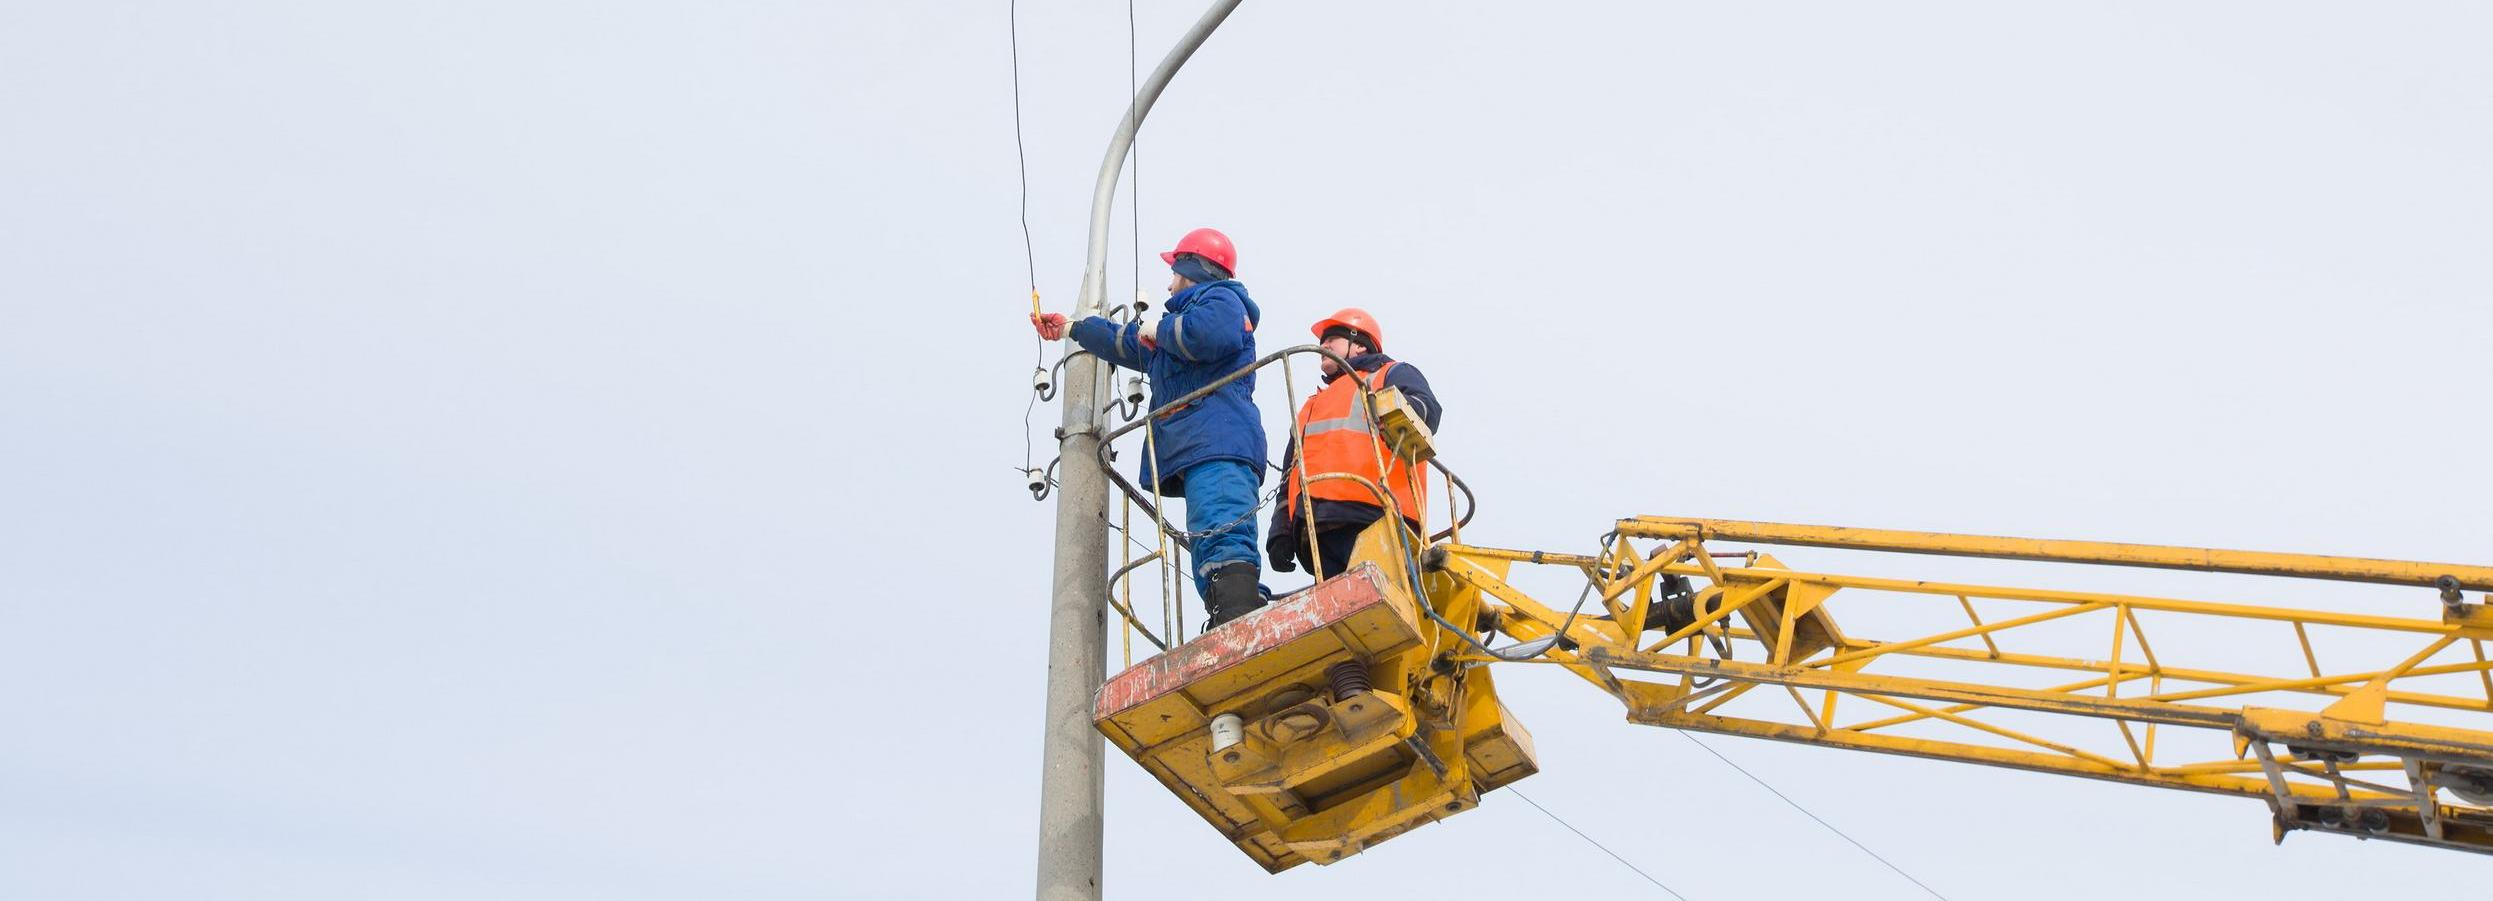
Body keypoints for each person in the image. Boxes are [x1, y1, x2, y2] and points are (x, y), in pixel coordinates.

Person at [1032, 227, 1269, 628]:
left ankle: (1238, 611)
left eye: (1174, 270)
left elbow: (1208, 334)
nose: (1169, 281)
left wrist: (1160, 331)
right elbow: (1123, 342)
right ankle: (1225, 609)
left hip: (1218, 439)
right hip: (1199, 444)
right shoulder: (1181, 323)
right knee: (1207, 534)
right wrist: (1073, 327)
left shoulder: (1223, 301)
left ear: (1192, 269)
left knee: (1222, 522)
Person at [1265, 308, 1442, 582]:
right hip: (1318, 527)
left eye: (1331, 339)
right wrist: (1281, 528)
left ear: (1359, 345)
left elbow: (1427, 409)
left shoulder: (1388, 374)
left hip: (1373, 515)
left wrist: (1405, 414)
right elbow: (1289, 476)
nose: (1322, 346)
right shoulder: (1310, 406)